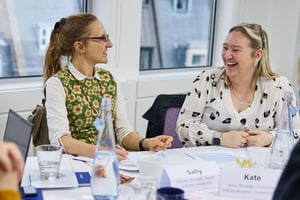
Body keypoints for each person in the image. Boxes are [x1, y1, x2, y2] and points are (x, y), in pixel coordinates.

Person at [43, 13, 173, 161]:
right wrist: (102, 152)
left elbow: (123, 132)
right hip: (75, 166)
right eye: (102, 38)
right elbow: (62, 141)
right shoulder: (57, 83)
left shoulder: (109, 80)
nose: (109, 43)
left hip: (109, 163)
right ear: (80, 46)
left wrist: (146, 143)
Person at [176, 23, 300, 148]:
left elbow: (296, 133)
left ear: (258, 55)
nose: (227, 55)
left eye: (236, 50)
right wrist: (218, 137)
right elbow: (183, 126)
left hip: (255, 165)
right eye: (225, 48)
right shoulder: (207, 80)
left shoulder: (279, 86)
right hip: (206, 165)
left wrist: (270, 138)